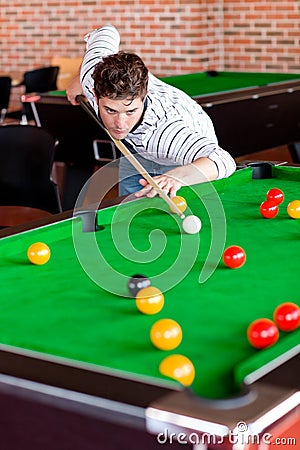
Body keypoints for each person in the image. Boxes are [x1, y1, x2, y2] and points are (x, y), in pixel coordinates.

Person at [67, 25, 236, 198]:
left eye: (130, 111)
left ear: (144, 96)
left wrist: (175, 176)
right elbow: (106, 30)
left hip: (183, 154)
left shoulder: (165, 133)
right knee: (127, 207)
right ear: (95, 95)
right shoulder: (90, 75)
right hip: (136, 145)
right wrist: (78, 77)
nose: (120, 124)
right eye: (110, 110)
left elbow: (223, 160)